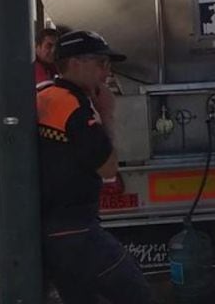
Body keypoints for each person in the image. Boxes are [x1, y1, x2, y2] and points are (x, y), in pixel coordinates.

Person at [37, 30, 155, 303]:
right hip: (76, 231)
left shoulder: (47, 94)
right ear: (75, 63)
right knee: (136, 294)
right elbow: (108, 168)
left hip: (54, 229)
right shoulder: (75, 106)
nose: (107, 71)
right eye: (101, 63)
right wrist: (107, 113)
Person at [0, 25, 71, 271]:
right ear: (36, 47)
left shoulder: (52, 69)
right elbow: (49, 96)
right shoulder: (35, 71)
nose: (52, 51)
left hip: (31, 142)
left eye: (56, 46)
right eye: (48, 46)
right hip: (16, 143)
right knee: (4, 197)